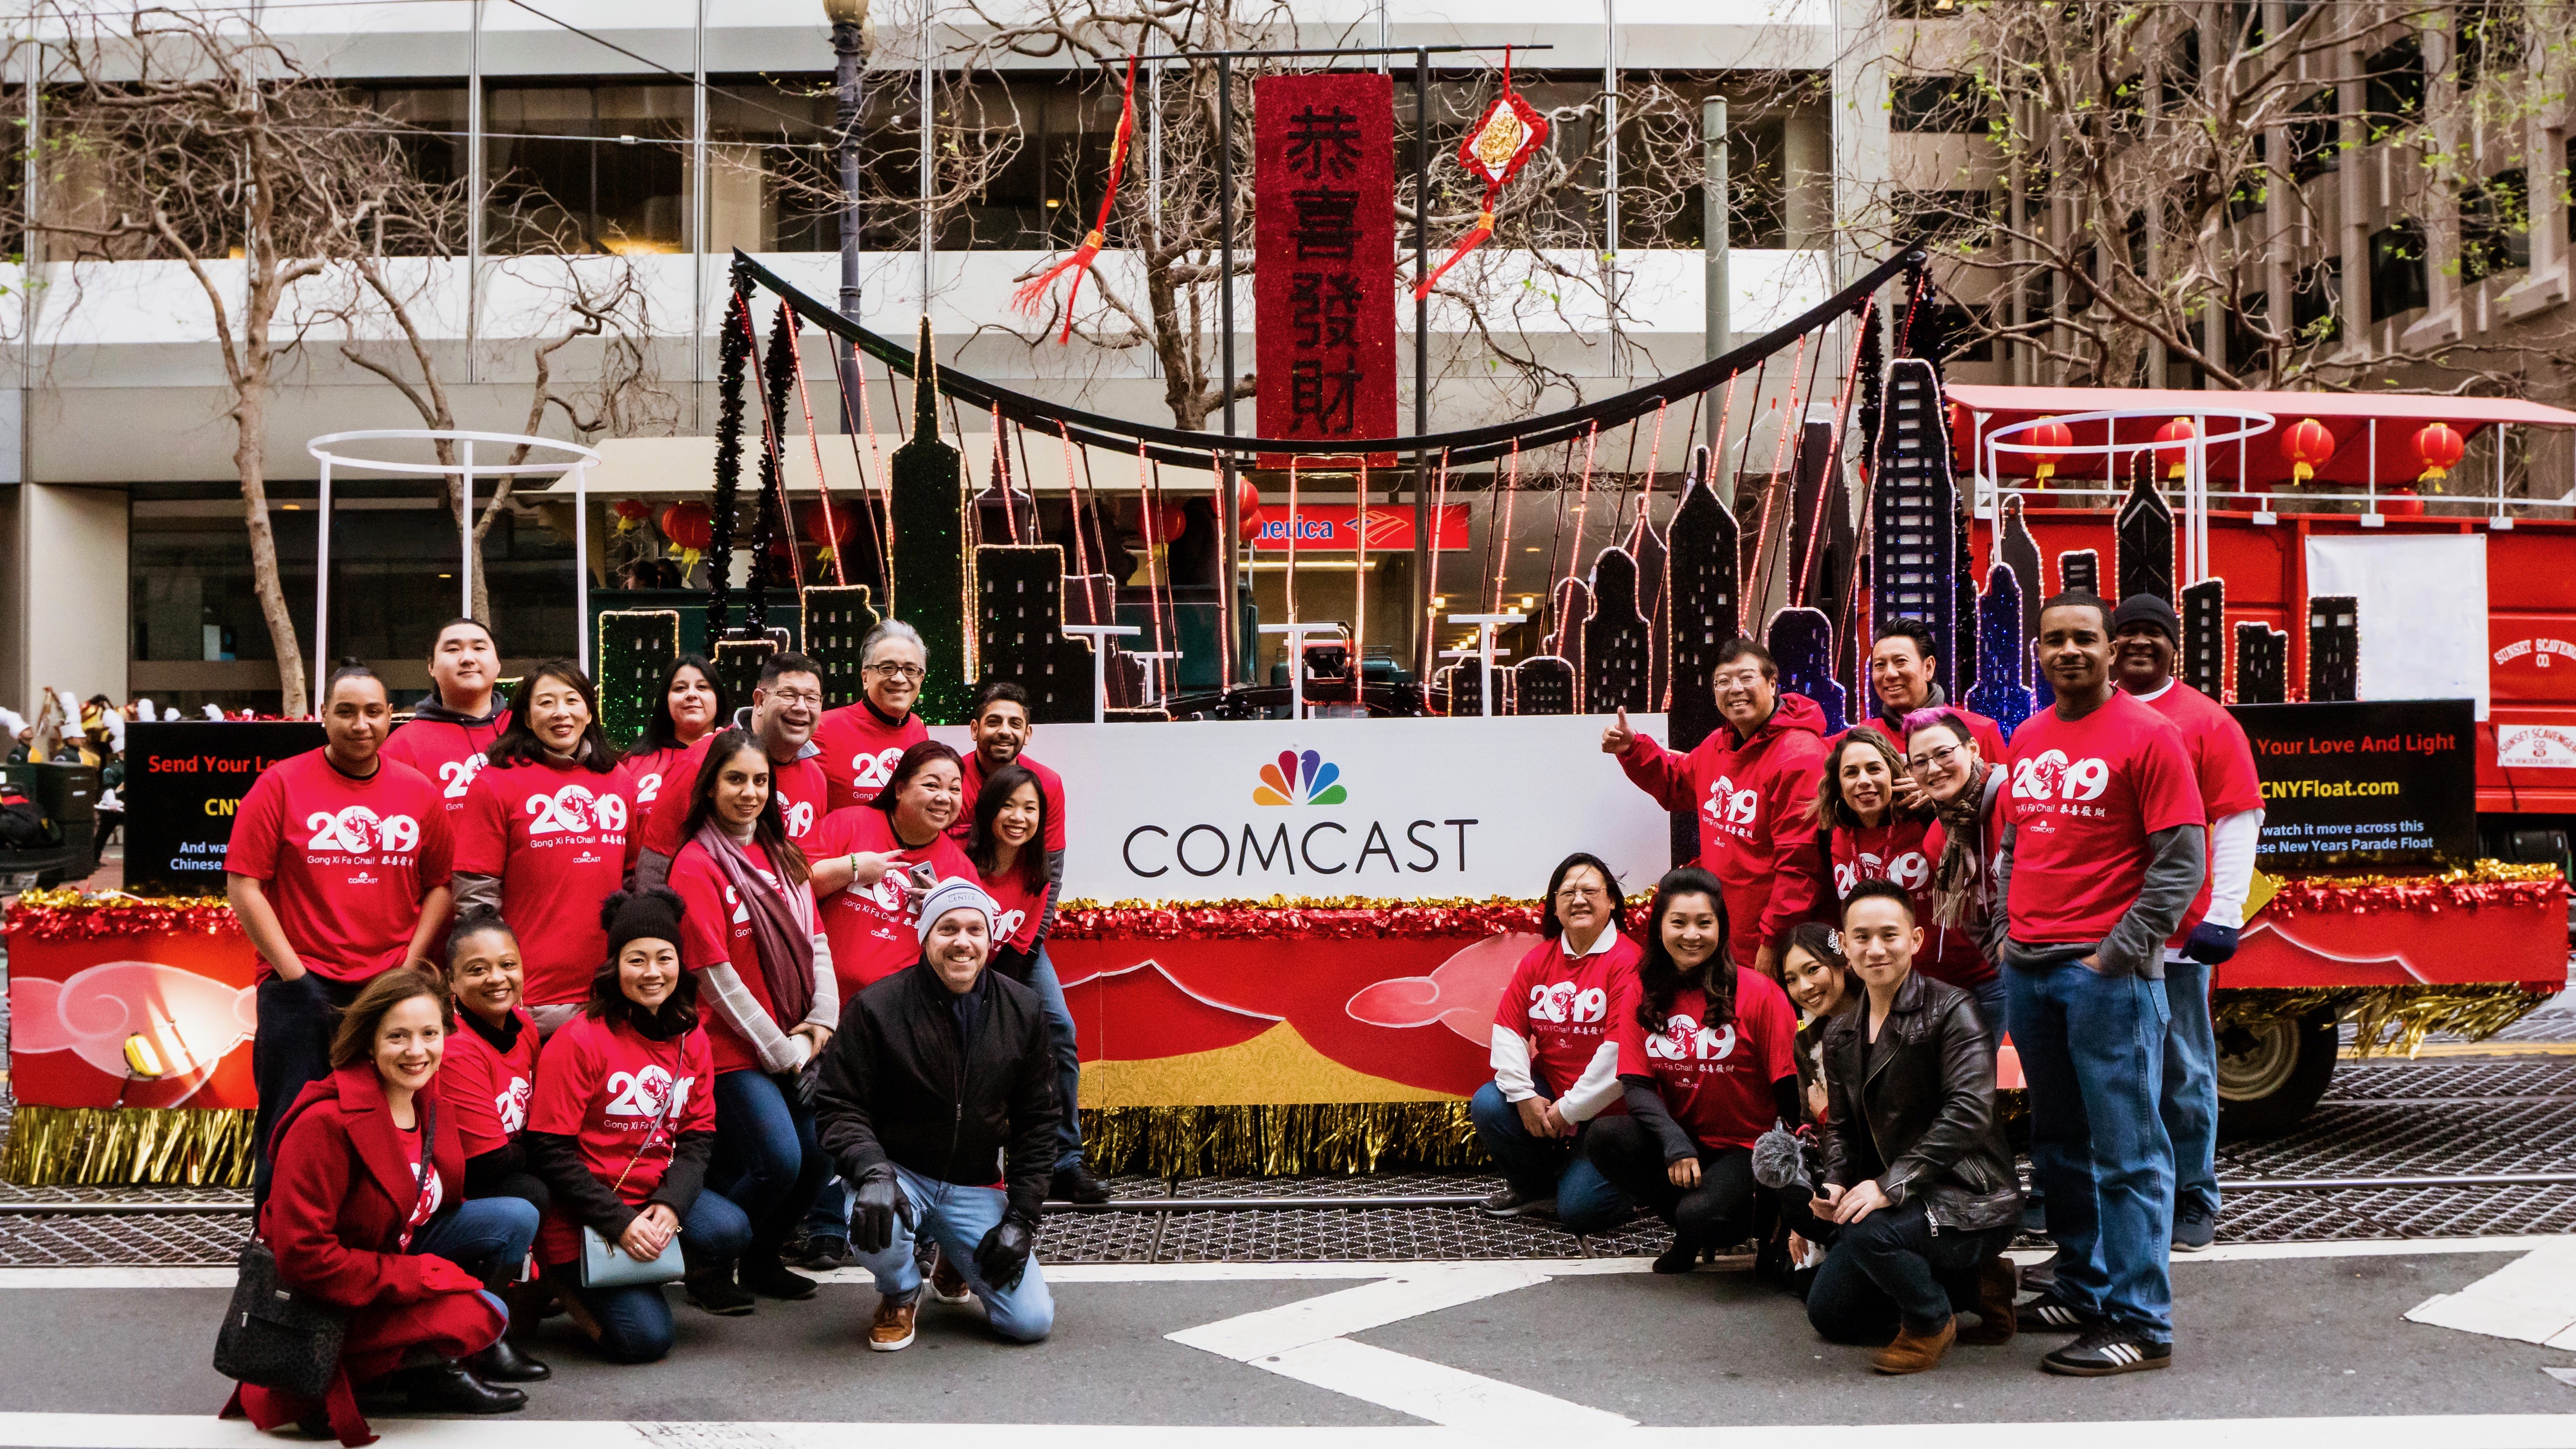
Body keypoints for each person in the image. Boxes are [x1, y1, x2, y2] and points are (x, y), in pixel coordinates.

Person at [1990, 590, 2205, 1376]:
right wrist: (2008, 931)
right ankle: (2080, 1285)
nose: (2068, 651)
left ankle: (2140, 1321)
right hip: (2032, 969)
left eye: (2085, 638)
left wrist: (2114, 955)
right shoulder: (2030, 731)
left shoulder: (2151, 736)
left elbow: (2181, 862)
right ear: (2037, 652)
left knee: (2129, 1153)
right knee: (2058, 1143)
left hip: (2103, 978)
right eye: (2054, 640)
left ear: (2112, 650)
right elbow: (2015, 835)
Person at [222, 968, 542, 1446]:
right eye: (398, 1036)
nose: (417, 1050)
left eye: (429, 1033)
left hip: (387, 1246)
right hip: (323, 1297)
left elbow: (430, 1200)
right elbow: (304, 1257)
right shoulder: (324, 1123)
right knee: (482, 1309)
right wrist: (426, 1278)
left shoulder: (429, 1098)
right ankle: (405, 1369)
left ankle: (421, 1364)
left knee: (515, 1215)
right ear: (368, 1042)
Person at [1752, 879, 2021, 1375]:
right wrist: (1834, 1179)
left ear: (1915, 940)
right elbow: (1843, 1130)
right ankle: (1978, 1286)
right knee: (1829, 1314)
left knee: (1868, 1229)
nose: (1875, 949)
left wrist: (1887, 1183)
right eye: (1862, 937)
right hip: (1899, 1199)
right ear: (1846, 946)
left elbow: (1967, 1111)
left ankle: (1930, 1321)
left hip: (1967, 1197)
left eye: (1889, 935)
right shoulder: (1839, 1031)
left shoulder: (1952, 1009)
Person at [228, 662, 455, 1201]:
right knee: (291, 1124)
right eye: (346, 711)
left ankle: (373, 1245)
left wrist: (407, 969)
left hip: (388, 991)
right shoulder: (280, 784)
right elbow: (245, 887)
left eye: (373, 712)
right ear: (323, 715)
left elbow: (440, 887)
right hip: (300, 987)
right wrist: (296, 977)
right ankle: (277, 1253)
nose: (361, 724)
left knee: (389, 1121)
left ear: (390, 718)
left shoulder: (419, 792)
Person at [814, 877, 1059, 1350]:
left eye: (974, 929)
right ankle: (901, 1292)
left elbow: (1038, 1122)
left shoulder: (1024, 1009)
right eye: (947, 929)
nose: (962, 942)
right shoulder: (876, 1006)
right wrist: (871, 1171)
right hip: (897, 1173)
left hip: (973, 1182)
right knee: (876, 1231)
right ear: (925, 936)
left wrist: (1021, 1220)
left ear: (991, 939)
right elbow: (839, 1104)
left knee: (1030, 1323)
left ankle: (955, 1253)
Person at [525, 889, 746, 1363]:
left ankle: (633, 1275)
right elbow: (549, 1149)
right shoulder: (580, 1039)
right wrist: (621, 1224)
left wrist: (671, 1204)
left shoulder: (691, 1035)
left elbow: (698, 1136)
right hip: (588, 1207)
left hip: (650, 1190)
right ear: (614, 966)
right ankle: (565, 1280)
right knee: (644, 1342)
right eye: (636, 959)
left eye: (664, 957)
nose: (652, 972)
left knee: (730, 1230)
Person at [2110, 593, 2264, 1254]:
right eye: (2127, 634)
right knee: (2111, 1074)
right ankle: (2122, 1197)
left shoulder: (2206, 721)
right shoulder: (2086, 713)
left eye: (2154, 633)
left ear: (2175, 645)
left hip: (2177, 934)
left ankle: (2194, 1195)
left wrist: (2224, 912)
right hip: (2098, 935)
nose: (2139, 644)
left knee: (2184, 1070)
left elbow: (2236, 818)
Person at [664, 728, 838, 1310]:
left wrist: (822, 1023)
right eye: (735, 779)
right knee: (778, 1160)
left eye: (760, 780)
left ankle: (762, 1259)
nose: (750, 791)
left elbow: (817, 941)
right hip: (733, 1047)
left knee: (820, 1156)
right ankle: (709, 1259)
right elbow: (715, 975)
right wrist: (780, 1049)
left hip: (796, 1037)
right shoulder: (695, 863)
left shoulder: (782, 853)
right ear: (710, 787)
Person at [797, 739, 979, 1265]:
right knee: (828, 1119)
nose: (944, 796)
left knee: (899, 1123)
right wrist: (855, 868)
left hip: (901, 1022)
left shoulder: (956, 867)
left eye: (953, 788)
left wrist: (939, 912)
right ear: (899, 787)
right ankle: (828, 1225)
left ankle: (912, 1227)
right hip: (825, 1011)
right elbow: (792, 888)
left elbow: (966, 955)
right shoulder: (848, 825)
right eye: (931, 784)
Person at [1583, 866, 1800, 1274]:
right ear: (1659, 928)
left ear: (1721, 926)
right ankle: (1687, 1225)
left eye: (1704, 922)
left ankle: (1752, 1223)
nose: (1691, 935)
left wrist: (1790, 1187)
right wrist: (1675, 1142)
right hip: (1685, 1137)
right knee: (1606, 1136)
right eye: (1678, 922)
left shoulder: (1759, 992)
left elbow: (1789, 1087)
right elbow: (1636, 1083)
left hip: (1746, 1147)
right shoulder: (1641, 991)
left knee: (1706, 1217)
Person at [1603, 640, 1828, 981]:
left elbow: (1799, 868)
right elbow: (1677, 783)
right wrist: (1634, 749)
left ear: (1772, 683)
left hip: (1776, 943)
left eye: (1745, 677)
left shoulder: (1800, 756)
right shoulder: (1717, 744)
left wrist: (1772, 940)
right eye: (1723, 681)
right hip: (1723, 935)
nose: (1734, 689)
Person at [455, 663, 641, 1034]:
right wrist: (497, 980)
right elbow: (476, 892)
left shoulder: (619, 779)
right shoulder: (495, 781)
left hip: (607, 989)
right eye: (546, 702)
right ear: (526, 715)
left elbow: (633, 878)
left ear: (589, 711)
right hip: (531, 996)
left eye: (573, 700)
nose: (561, 712)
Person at [1471, 851, 1640, 1232]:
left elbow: (1619, 1056)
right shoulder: (1538, 960)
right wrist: (1524, 1096)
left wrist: (1570, 1110)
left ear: (1612, 899)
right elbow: (1509, 1032)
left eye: (1590, 890)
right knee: (1490, 1103)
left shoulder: (1629, 961)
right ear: (1555, 906)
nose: (1579, 899)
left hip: (1613, 1113)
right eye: (1568, 892)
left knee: (1582, 1214)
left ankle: (1626, 1182)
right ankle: (1538, 1190)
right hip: (1551, 1095)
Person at [964, 758, 1105, 1205]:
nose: (1019, 818)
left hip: (1013, 959)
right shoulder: (962, 864)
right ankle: (974, 1173)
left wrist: (1010, 1005)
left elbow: (1022, 942)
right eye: (1008, 806)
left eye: (1030, 809)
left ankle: (1065, 1161)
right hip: (961, 970)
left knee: (1058, 1029)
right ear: (988, 810)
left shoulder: (1036, 865)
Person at [1812, 727, 2005, 1034]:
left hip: (1972, 986)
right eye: (1851, 773)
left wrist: (1933, 799)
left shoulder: (1928, 817)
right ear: (1838, 783)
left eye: (1874, 769)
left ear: (1895, 773)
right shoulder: (1832, 836)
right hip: (1893, 995)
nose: (1864, 781)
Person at [635, 653, 831, 889]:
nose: (801, 708)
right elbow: (658, 861)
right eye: (788, 695)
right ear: (759, 701)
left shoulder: (816, 777)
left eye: (812, 698)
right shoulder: (702, 759)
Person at [436, 911, 548, 1217]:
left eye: (508, 965)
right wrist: (540, 1151)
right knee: (533, 1193)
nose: (497, 978)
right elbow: (489, 1162)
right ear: (451, 981)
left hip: (512, 1156)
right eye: (478, 970)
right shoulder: (455, 1048)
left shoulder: (524, 1025)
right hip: (464, 1182)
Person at [1845, 620, 2007, 807]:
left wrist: (1940, 788)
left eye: (1900, 662)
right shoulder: (1862, 738)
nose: (1889, 674)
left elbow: (2003, 803)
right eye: (1880, 665)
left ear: (1928, 668)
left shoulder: (1980, 731)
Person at [383, 619, 511, 818]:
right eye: (453, 650)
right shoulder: (402, 746)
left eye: (479, 648)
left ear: (498, 665)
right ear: (431, 667)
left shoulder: (527, 730)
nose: (468, 658)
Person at [813, 620, 931, 812]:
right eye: (887, 668)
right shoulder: (824, 728)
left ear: (921, 679)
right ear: (865, 677)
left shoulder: (918, 729)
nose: (900, 679)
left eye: (910, 670)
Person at [621, 654, 726, 816]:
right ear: (665, 701)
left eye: (702, 687)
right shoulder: (632, 764)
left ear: (718, 698)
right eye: (680, 688)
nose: (691, 694)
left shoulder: (738, 757)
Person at [1778, 920, 1856, 1127]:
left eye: (1812, 969)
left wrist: (1826, 1114)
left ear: (1844, 961)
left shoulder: (1881, 1018)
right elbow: (1809, 1124)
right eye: (1791, 980)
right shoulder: (1806, 1038)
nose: (1804, 987)